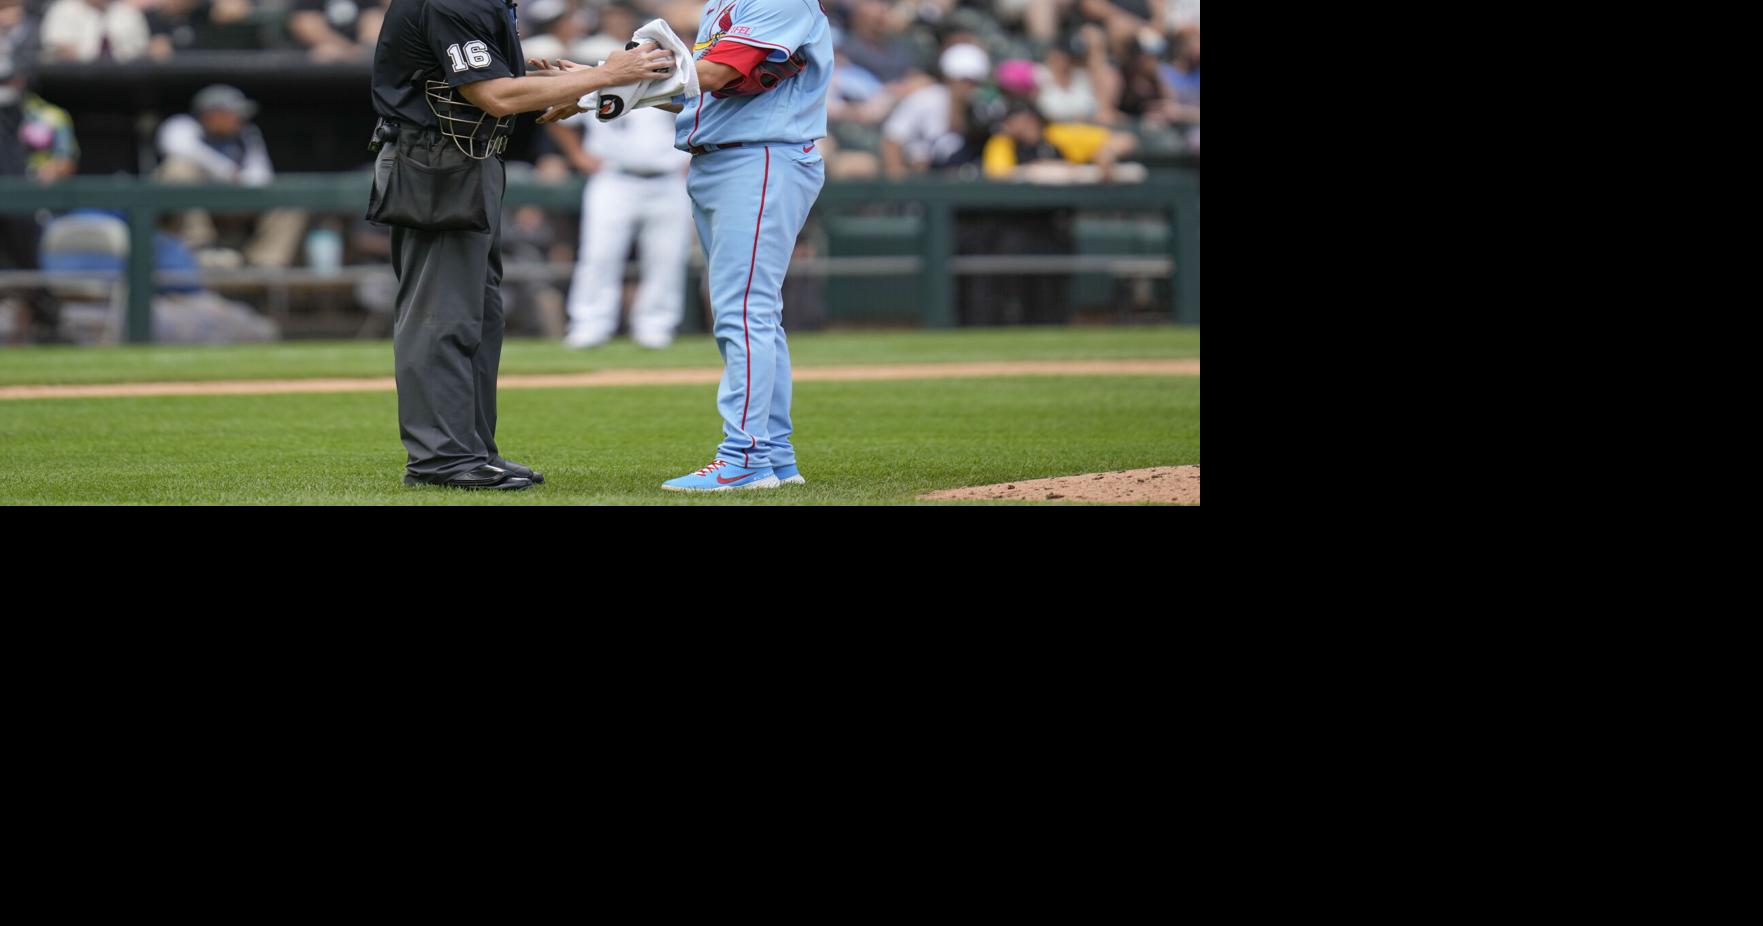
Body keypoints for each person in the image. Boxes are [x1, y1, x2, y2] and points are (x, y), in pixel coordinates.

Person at [369, 0, 672, 490]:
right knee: (441, 315)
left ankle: (470, 451)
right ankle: (440, 460)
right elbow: (497, 96)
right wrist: (606, 74)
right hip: (433, 161)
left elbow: (488, 79)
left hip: (467, 159)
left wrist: (570, 77)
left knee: (477, 318)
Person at [655, 0, 832, 491]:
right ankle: (774, 455)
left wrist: (606, 79)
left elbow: (716, 72)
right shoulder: (724, 4)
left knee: (743, 311)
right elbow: (702, 92)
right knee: (754, 314)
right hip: (727, 155)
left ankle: (746, 458)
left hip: (760, 155)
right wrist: (596, 87)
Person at [547, 96, 692, 350]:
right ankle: (589, 324)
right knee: (599, 254)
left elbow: (706, 114)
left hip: (669, 177)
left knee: (667, 256)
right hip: (613, 177)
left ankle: (656, 326)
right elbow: (555, 113)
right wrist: (577, 155)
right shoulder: (606, 75)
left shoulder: (675, 74)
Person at [156, 85, 307, 269]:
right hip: (191, 206)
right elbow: (183, 151)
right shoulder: (181, 126)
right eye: (234, 112)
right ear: (212, 115)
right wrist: (227, 172)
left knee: (289, 198)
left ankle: (265, 265)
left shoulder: (247, 134)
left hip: (230, 201)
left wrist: (238, 179)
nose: (241, 118)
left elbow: (261, 177)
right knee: (178, 169)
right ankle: (199, 245)